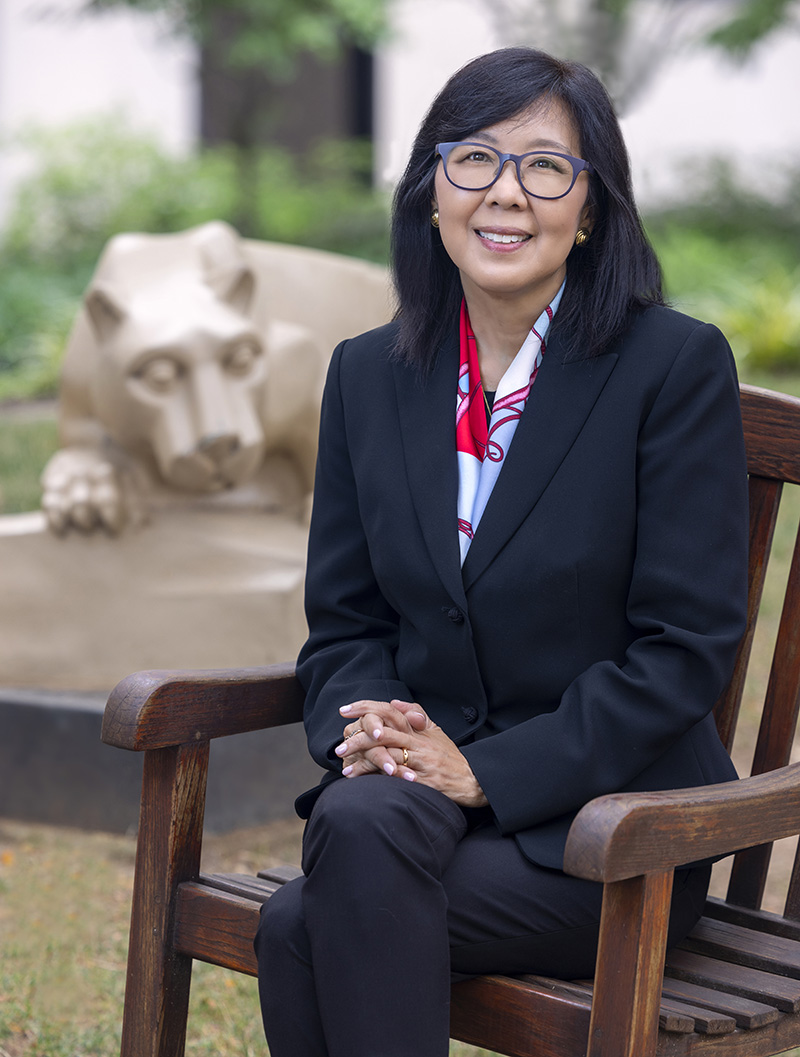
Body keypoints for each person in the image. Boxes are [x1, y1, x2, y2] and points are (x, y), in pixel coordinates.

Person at [254, 46, 749, 1057]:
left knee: (303, 919)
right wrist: (375, 733)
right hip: (411, 811)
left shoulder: (669, 367)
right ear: (430, 191)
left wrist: (478, 773)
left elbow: (681, 649)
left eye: (545, 168)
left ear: (592, 208)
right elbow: (345, 623)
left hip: (609, 826)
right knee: (354, 833)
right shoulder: (367, 375)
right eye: (472, 159)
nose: (505, 195)